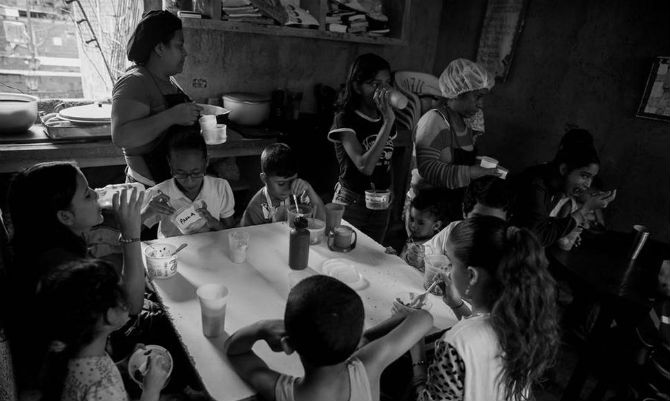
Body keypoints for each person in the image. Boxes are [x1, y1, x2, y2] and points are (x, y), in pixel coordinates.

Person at [6, 161, 146, 391]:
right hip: (66, 379)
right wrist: (131, 235)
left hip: (81, 355)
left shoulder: (45, 244)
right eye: (87, 195)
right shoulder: (62, 268)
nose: (96, 193)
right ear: (65, 216)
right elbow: (131, 306)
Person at [411, 216, 560, 401]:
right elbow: (484, 331)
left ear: (472, 275)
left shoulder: (455, 345)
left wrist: (415, 344)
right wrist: (456, 304)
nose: (447, 270)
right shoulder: (524, 319)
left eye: (451, 263)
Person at [226, 275, 433, 401]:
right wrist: (363, 339)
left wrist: (261, 327)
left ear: (287, 346)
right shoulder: (368, 366)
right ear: (356, 341)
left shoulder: (282, 392)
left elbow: (235, 350)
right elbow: (423, 317)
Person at [39, 259, 170, 401]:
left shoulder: (71, 351)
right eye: (120, 292)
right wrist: (151, 390)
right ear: (109, 315)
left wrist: (123, 366)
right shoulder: (103, 389)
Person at [112, 10, 202, 187]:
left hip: (169, 186)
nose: (185, 53)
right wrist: (172, 116)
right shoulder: (135, 82)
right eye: (179, 46)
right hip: (147, 189)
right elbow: (122, 137)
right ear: (160, 48)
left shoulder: (168, 81)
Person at [409, 58, 498, 224]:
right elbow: (428, 169)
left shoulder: (467, 123)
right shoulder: (434, 121)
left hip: (452, 207)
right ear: (457, 92)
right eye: (477, 97)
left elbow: (463, 159)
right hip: (425, 214)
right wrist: (472, 172)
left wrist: (485, 168)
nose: (481, 105)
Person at [328, 53, 397, 243]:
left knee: (373, 258)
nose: (382, 90)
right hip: (352, 202)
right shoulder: (345, 118)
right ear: (357, 86)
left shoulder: (386, 117)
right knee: (345, 256)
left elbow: (387, 161)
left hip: (380, 203)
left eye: (387, 83)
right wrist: (388, 121)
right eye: (374, 84)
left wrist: (391, 189)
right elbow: (364, 166)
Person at [512, 128, 616, 247]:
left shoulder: (557, 187)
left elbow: (543, 224)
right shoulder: (536, 183)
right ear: (564, 169)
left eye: (591, 178)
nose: (588, 184)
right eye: (584, 176)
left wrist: (563, 232)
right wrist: (585, 209)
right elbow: (536, 238)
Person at [142, 127, 236, 238]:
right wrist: (146, 212)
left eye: (196, 173)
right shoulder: (158, 194)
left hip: (211, 249)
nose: (189, 181)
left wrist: (214, 223)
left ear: (206, 163)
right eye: (180, 173)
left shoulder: (220, 187)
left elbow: (231, 232)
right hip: (173, 252)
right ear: (170, 165)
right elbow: (128, 233)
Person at [241, 143, 325, 227]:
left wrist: (309, 189)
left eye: (292, 181)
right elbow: (247, 236)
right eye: (281, 183)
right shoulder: (256, 208)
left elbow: (322, 220)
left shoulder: (298, 193)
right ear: (264, 179)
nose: (287, 188)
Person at [393, 188, 449, 271]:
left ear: (436, 225)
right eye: (412, 219)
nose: (413, 225)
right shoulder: (413, 237)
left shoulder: (435, 249)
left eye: (421, 223)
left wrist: (421, 265)